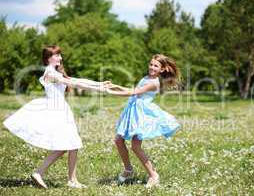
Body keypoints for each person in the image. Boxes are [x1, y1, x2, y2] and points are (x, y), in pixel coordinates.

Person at [3, 45, 110, 189]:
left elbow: (77, 79)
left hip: (61, 111)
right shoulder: (51, 73)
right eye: (57, 55)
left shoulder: (55, 72)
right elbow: (73, 83)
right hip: (57, 112)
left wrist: (99, 83)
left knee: (72, 144)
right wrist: (99, 89)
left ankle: (64, 178)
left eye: (60, 55)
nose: (60, 57)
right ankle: (55, 176)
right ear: (48, 58)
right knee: (69, 144)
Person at [107, 54, 181, 188]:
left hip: (141, 115)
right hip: (132, 111)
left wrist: (111, 92)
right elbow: (132, 90)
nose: (152, 67)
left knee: (135, 146)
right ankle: (128, 169)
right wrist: (114, 86)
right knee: (118, 140)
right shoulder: (146, 78)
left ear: (162, 69)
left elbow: (135, 92)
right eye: (151, 64)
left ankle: (153, 175)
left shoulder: (154, 83)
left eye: (156, 66)